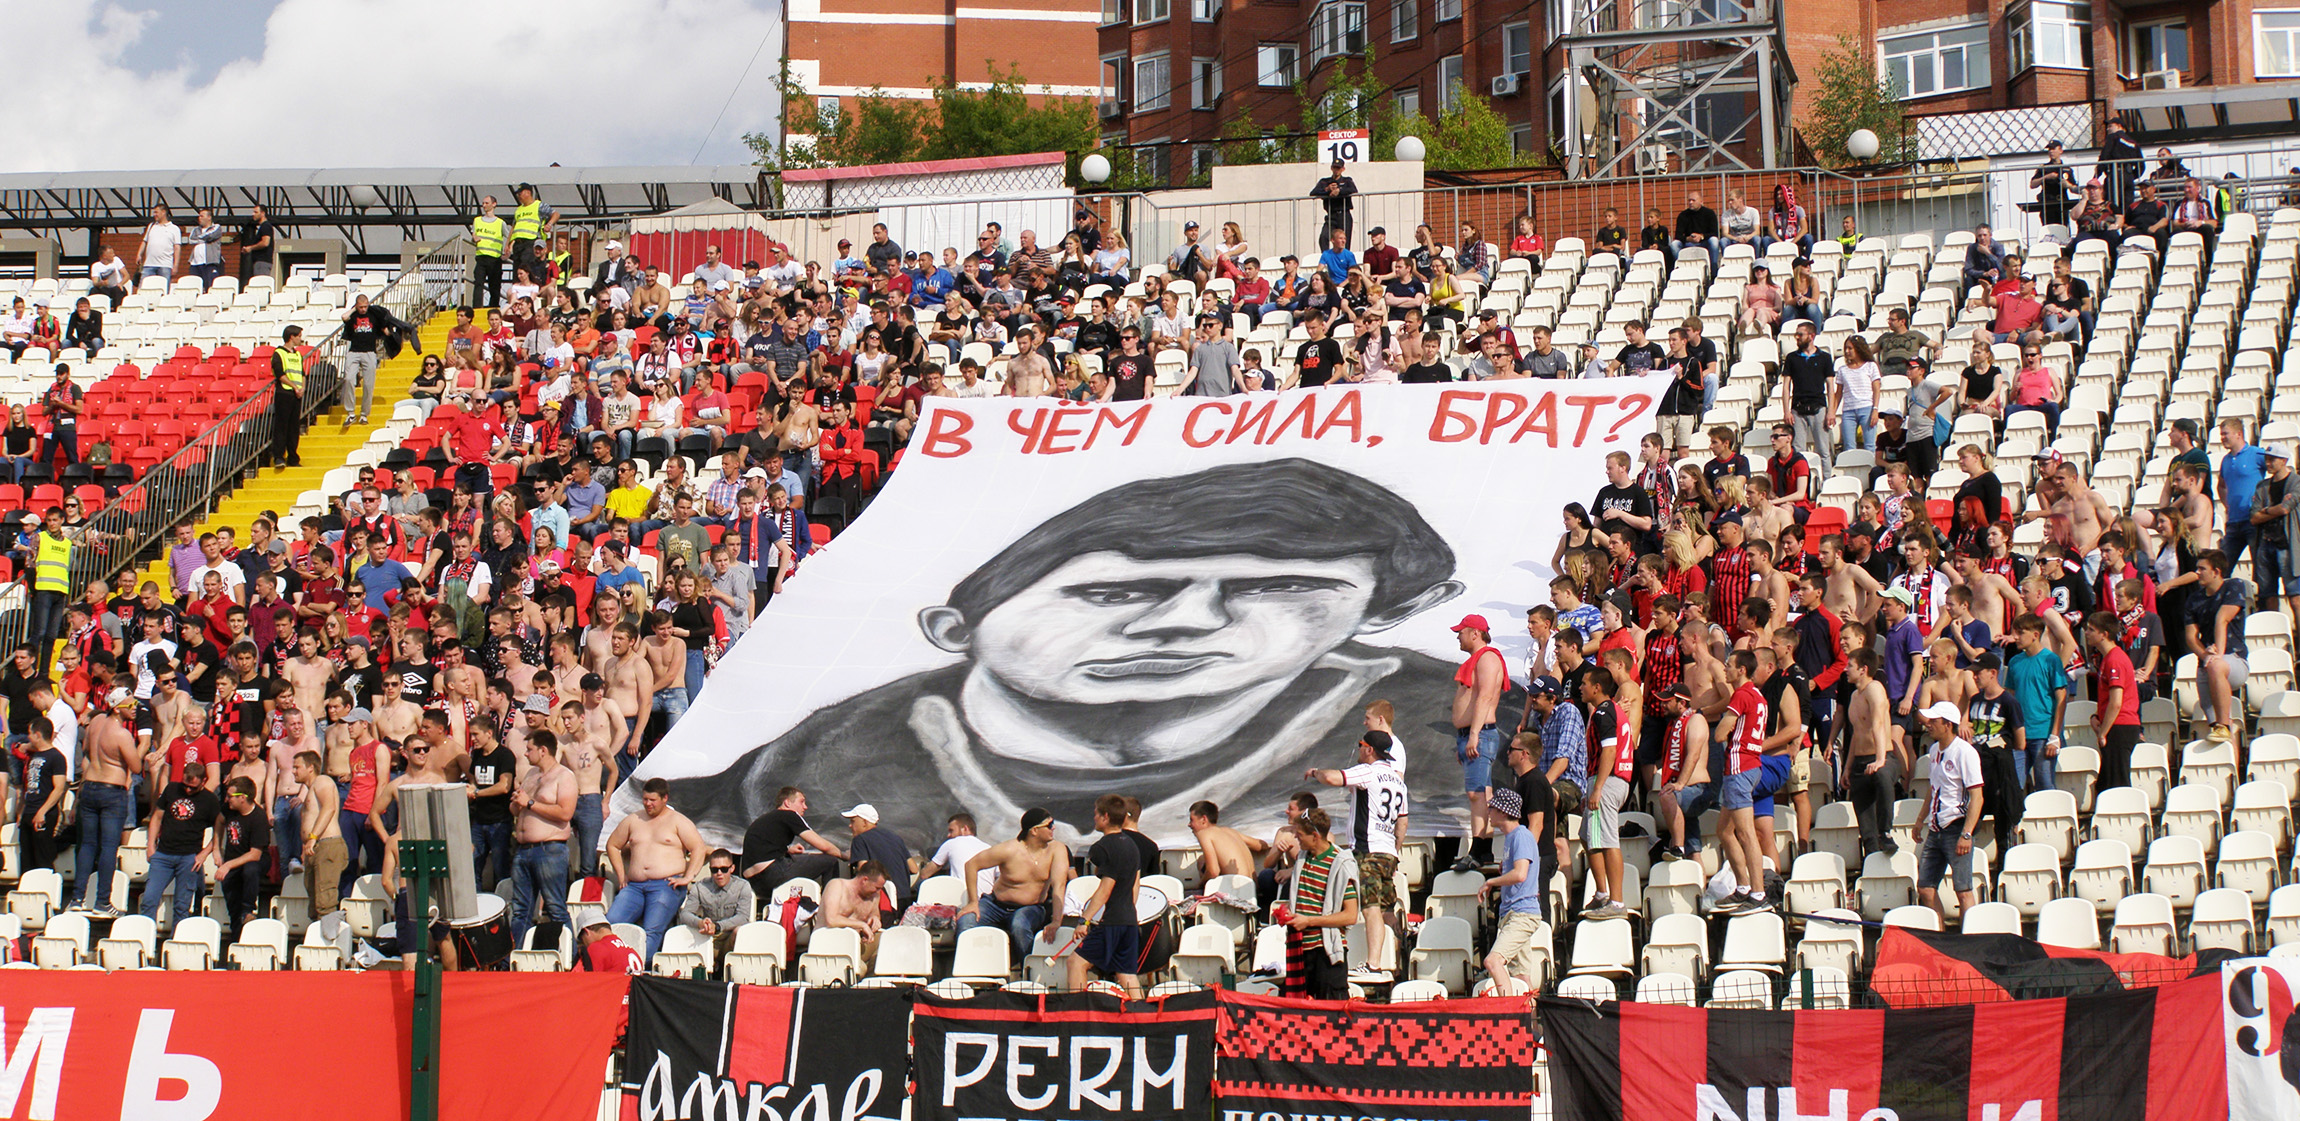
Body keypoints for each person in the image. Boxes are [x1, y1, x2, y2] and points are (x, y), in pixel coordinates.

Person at [667, 459, 1496, 845]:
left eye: (1277, 587)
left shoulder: (1427, 740)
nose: (1186, 623)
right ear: (957, 628)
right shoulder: (799, 768)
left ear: (1385, 612)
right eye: (1113, 593)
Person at [1305, 729, 1404, 980]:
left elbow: (1332, 778)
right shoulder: (1398, 781)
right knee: (1387, 910)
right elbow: (1402, 821)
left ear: (1369, 749)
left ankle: (1373, 965)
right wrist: (1395, 850)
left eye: (1360, 744)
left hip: (1368, 850)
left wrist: (1315, 772)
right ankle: (1398, 958)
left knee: (1370, 907)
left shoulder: (1368, 771)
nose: (1358, 749)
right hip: (1388, 852)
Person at [604, 776, 708, 961]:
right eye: (645, 799)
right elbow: (612, 845)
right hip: (634, 886)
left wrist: (688, 877)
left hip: (666, 885)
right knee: (611, 923)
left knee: (651, 930)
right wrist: (621, 875)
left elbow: (698, 848)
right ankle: (613, 964)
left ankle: (640, 967)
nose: (648, 804)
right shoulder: (634, 819)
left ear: (664, 798)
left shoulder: (678, 821)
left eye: (652, 800)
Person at [958, 807, 1069, 958]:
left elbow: (1059, 886)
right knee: (966, 920)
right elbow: (971, 865)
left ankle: (1027, 968)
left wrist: (1056, 921)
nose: (1053, 828)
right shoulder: (1009, 849)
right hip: (995, 905)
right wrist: (973, 902)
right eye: (1049, 825)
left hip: (1031, 907)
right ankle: (966, 965)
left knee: (1020, 925)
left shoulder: (1057, 850)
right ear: (1034, 831)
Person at [1066, 794, 1144, 996]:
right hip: (1129, 920)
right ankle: (1142, 1012)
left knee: (1076, 963)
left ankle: (1078, 1011)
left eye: (1096, 814)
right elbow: (1135, 885)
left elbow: (1105, 890)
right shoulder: (1132, 845)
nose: (1094, 818)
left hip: (1112, 922)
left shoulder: (1103, 847)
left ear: (1105, 817)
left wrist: (1084, 920)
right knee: (1127, 974)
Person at [1915, 700, 1985, 924]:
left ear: (1948, 724)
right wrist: (1920, 820)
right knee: (1926, 888)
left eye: (1933, 720)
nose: (1928, 724)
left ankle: (1968, 936)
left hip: (1956, 826)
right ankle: (1940, 935)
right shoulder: (1934, 750)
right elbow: (1933, 787)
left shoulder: (1965, 752)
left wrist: (1967, 834)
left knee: (1963, 889)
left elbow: (1977, 796)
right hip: (1936, 827)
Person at [1276, 806, 1357, 1001]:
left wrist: (1309, 921)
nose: (1297, 838)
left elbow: (1350, 915)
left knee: (1331, 1009)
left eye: (1300, 835)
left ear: (1315, 836)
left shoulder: (1340, 864)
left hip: (1326, 953)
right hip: (1300, 950)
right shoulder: (1302, 859)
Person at [511, 728, 576, 942]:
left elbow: (565, 813)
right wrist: (517, 803)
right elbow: (516, 810)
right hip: (523, 849)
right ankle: (515, 954)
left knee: (555, 907)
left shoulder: (564, 776)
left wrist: (530, 803)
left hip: (549, 849)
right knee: (521, 910)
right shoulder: (531, 775)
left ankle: (569, 954)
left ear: (543, 751)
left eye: (529, 749)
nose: (525, 753)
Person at [1478, 787, 1543, 995]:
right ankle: (1531, 1014)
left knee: (1493, 961)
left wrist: (1491, 882)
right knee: (1521, 977)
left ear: (1503, 812)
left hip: (1521, 913)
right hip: (1513, 913)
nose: (1489, 812)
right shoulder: (1512, 838)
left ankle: (1507, 1009)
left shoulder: (1520, 836)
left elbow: (1520, 874)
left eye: (1493, 808)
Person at [141, 761, 220, 922]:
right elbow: (157, 817)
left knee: (181, 906)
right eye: (185, 785)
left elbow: (220, 831)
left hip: (189, 858)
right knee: (149, 899)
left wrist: (204, 853)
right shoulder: (171, 789)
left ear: (204, 782)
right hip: (163, 854)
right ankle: (146, 933)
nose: (188, 790)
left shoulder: (209, 800)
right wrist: (150, 845)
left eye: (193, 788)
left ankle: (177, 936)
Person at [2186, 549, 2250, 745]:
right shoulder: (2193, 599)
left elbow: (2222, 619)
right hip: (2207, 663)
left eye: (2202, 569)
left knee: (2216, 666)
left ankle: (2223, 724)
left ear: (2216, 572)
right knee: (2216, 730)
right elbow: (2191, 637)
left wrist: (2217, 655)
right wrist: (2206, 655)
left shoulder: (2234, 586)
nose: (2197, 573)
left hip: (2234, 658)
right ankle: (2224, 731)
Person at [739, 786, 846, 897]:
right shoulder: (789, 815)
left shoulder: (764, 819)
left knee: (795, 859)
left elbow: (762, 848)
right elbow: (824, 846)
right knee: (831, 861)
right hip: (772, 874)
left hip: (753, 883)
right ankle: (830, 903)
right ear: (787, 803)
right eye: (801, 802)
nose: (805, 807)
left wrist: (788, 850)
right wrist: (844, 855)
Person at [679, 849, 754, 960]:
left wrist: (718, 926)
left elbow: (743, 917)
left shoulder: (743, 886)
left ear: (732, 868)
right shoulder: (700, 887)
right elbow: (685, 914)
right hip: (706, 938)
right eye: (714, 870)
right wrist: (700, 923)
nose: (719, 873)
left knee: (739, 932)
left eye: (724, 869)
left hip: (729, 939)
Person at [813, 862, 889, 968]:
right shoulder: (837, 886)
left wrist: (875, 920)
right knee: (859, 967)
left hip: (855, 947)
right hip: (830, 947)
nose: (878, 891)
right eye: (876, 888)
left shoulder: (874, 896)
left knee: (885, 940)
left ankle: (873, 976)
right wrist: (861, 925)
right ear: (865, 880)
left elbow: (875, 915)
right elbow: (831, 920)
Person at [269, 325, 307, 469]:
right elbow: (279, 373)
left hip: (297, 394)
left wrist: (302, 388)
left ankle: (293, 457)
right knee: (281, 426)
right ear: (291, 337)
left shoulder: (298, 355)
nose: (300, 339)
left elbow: (302, 373)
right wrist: (294, 386)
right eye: (299, 336)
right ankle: (279, 456)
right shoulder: (278, 353)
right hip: (284, 393)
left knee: (294, 427)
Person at [1310, 158, 1358, 247]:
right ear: (1331, 168)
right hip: (1331, 215)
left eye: (1338, 168)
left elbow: (1353, 189)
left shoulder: (1346, 180)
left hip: (1344, 214)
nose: (1336, 170)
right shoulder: (1325, 181)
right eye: (1335, 168)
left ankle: (1343, 256)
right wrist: (1327, 189)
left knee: (1344, 242)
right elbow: (1313, 193)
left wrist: (1339, 191)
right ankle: (1327, 255)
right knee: (1323, 237)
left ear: (1343, 169)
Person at [2032, 140, 2079, 227]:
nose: (2051, 151)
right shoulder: (2044, 168)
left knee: (2063, 227)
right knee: (2048, 228)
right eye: (2049, 149)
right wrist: (2045, 177)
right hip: (2047, 203)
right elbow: (2032, 184)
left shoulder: (2066, 169)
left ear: (2060, 150)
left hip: (2062, 202)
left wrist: (2068, 185)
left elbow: (2074, 188)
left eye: (2053, 149)